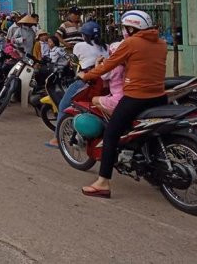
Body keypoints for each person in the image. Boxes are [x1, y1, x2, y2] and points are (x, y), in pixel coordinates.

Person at [78, 10, 167, 198]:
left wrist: (86, 75)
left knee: (111, 135)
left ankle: (102, 183)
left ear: (131, 28)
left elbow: (108, 66)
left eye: (125, 28)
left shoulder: (131, 43)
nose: (124, 31)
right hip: (159, 96)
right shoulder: (161, 43)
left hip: (136, 98)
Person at [49, 21, 109, 147]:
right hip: (106, 83)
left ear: (84, 35)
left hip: (87, 81)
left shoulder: (79, 46)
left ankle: (57, 139)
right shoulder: (106, 47)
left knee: (63, 106)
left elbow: (74, 62)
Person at [92, 40, 125, 115]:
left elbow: (102, 75)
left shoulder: (113, 67)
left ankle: (115, 117)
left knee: (94, 100)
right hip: (127, 96)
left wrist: (97, 63)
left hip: (118, 98)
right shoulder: (128, 64)